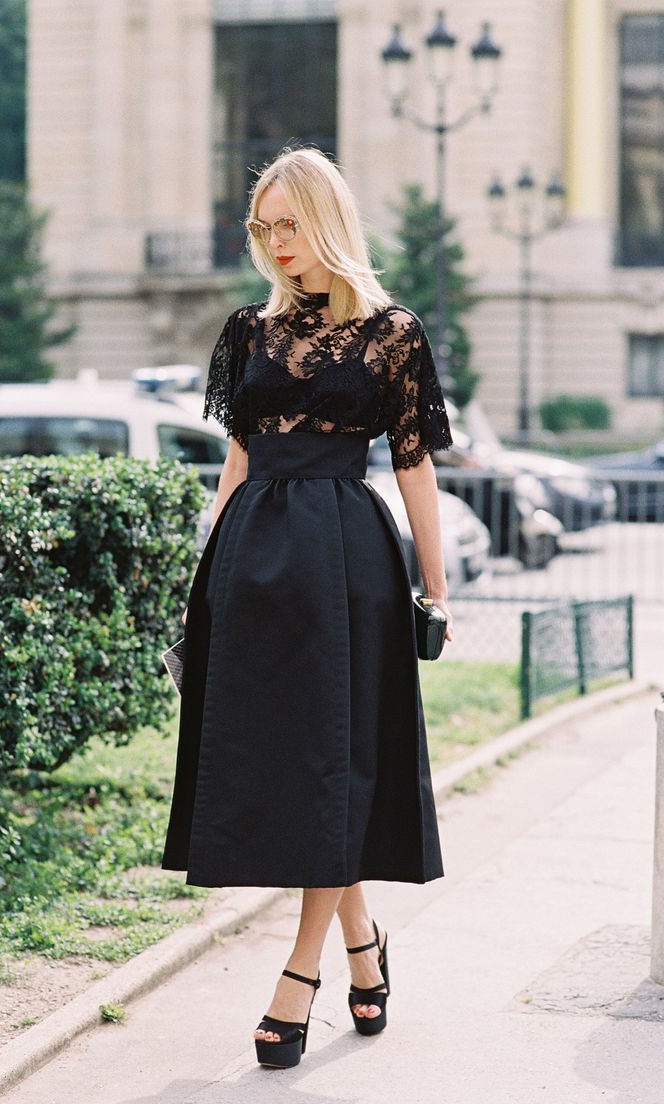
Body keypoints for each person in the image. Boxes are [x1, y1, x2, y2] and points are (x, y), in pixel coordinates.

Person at [161, 146, 454, 1069]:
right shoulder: (248, 331)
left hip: (345, 560)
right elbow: (239, 459)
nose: (276, 244)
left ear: (327, 221)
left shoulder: (392, 333)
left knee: (337, 759)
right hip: (254, 556)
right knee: (298, 761)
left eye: (290, 224)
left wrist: (435, 590)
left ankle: (301, 973)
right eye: (263, 228)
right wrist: (206, 565)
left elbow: (414, 464)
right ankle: (363, 948)